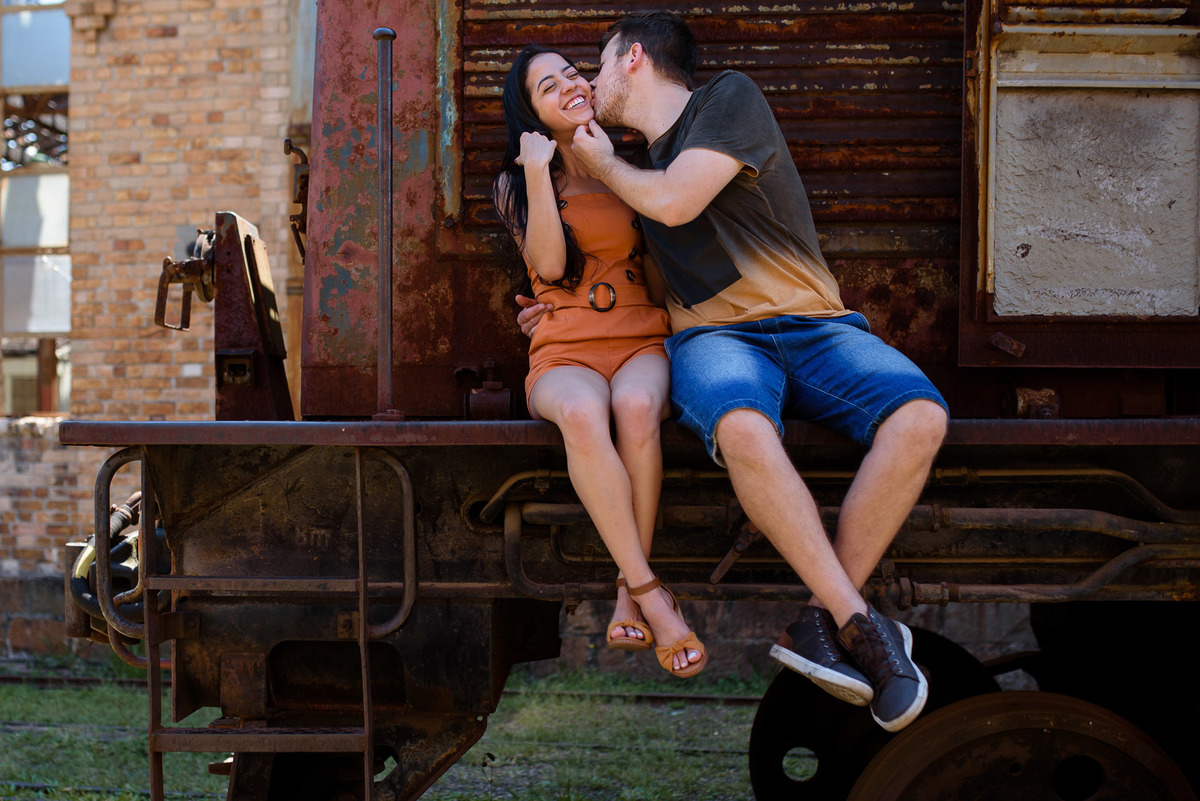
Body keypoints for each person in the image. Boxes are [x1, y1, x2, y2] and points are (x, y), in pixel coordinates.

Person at [517, 12, 949, 732]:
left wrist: (604, 166)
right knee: (744, 428)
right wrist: (545, 313)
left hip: (816, 327)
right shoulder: (634, 165)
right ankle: (859, 624)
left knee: (922, 416)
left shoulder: (726, 101)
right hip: (715, 339)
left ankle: (816, 622)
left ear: (633, 59)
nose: (587, 82)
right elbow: (624, 271)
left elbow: (678, 199)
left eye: (596, 63)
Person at [493, 44, 707, 678]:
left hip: (640, 333)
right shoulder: (515, 182)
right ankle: (649, 595)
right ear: (528, 112)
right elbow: (552, 268)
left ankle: (625, 587)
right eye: (546, 86)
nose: (569, 86)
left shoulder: (631, 161)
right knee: (585, 415)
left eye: (572, 75)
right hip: (564, 346)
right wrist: (537, 169)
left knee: (637, 406)